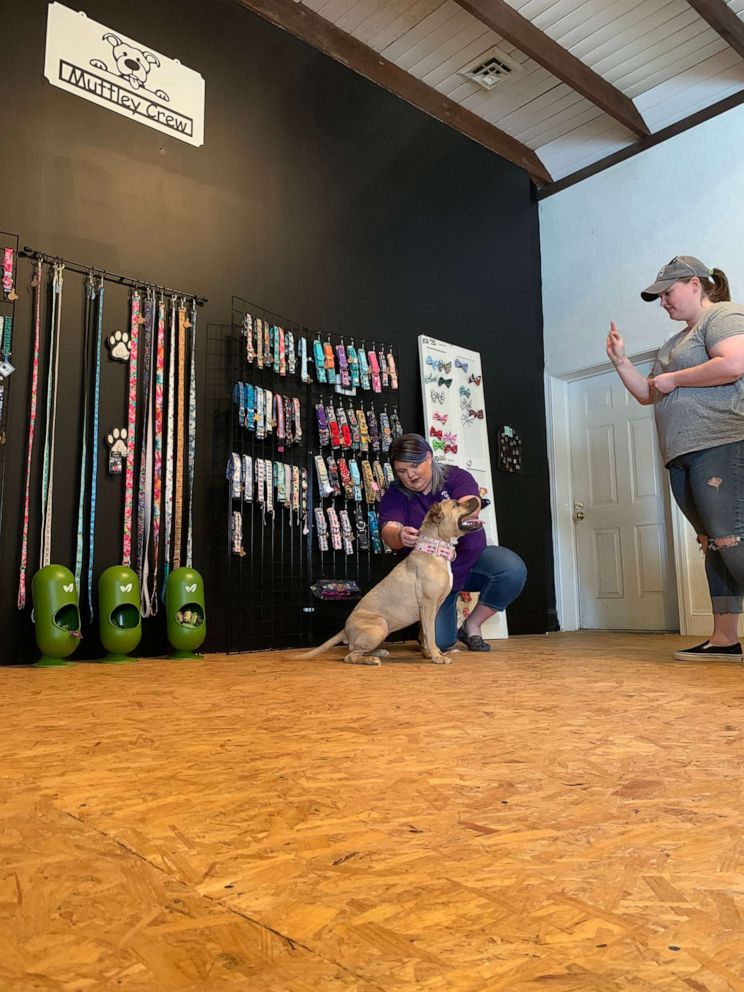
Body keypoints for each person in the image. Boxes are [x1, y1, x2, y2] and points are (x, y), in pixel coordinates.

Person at [607, 255, 744, 660]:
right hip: (682, 454)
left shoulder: (721, 314)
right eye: (659, 296)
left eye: (667, 292)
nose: (663, 302)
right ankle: (724, 639)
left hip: (720, 443)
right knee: (714, 545)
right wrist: (619, 360)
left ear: (695, 284)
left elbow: (734, 363)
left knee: (731, 539)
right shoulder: (672, 344)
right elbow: (647, 393)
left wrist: (674, 378)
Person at [379, 433, 527, 652]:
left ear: (429, 457)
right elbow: (388, 529)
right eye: (401, 471)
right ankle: (436, 627)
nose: (410, 475)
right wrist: (399, 535)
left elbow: (471, 503)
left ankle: (472, 625)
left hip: (469, 562)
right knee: (439, 643)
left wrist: (466, 513)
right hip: (432, 579)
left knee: (511, 569)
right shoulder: (395, 494)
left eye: (415, 465)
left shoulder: (455, 476)